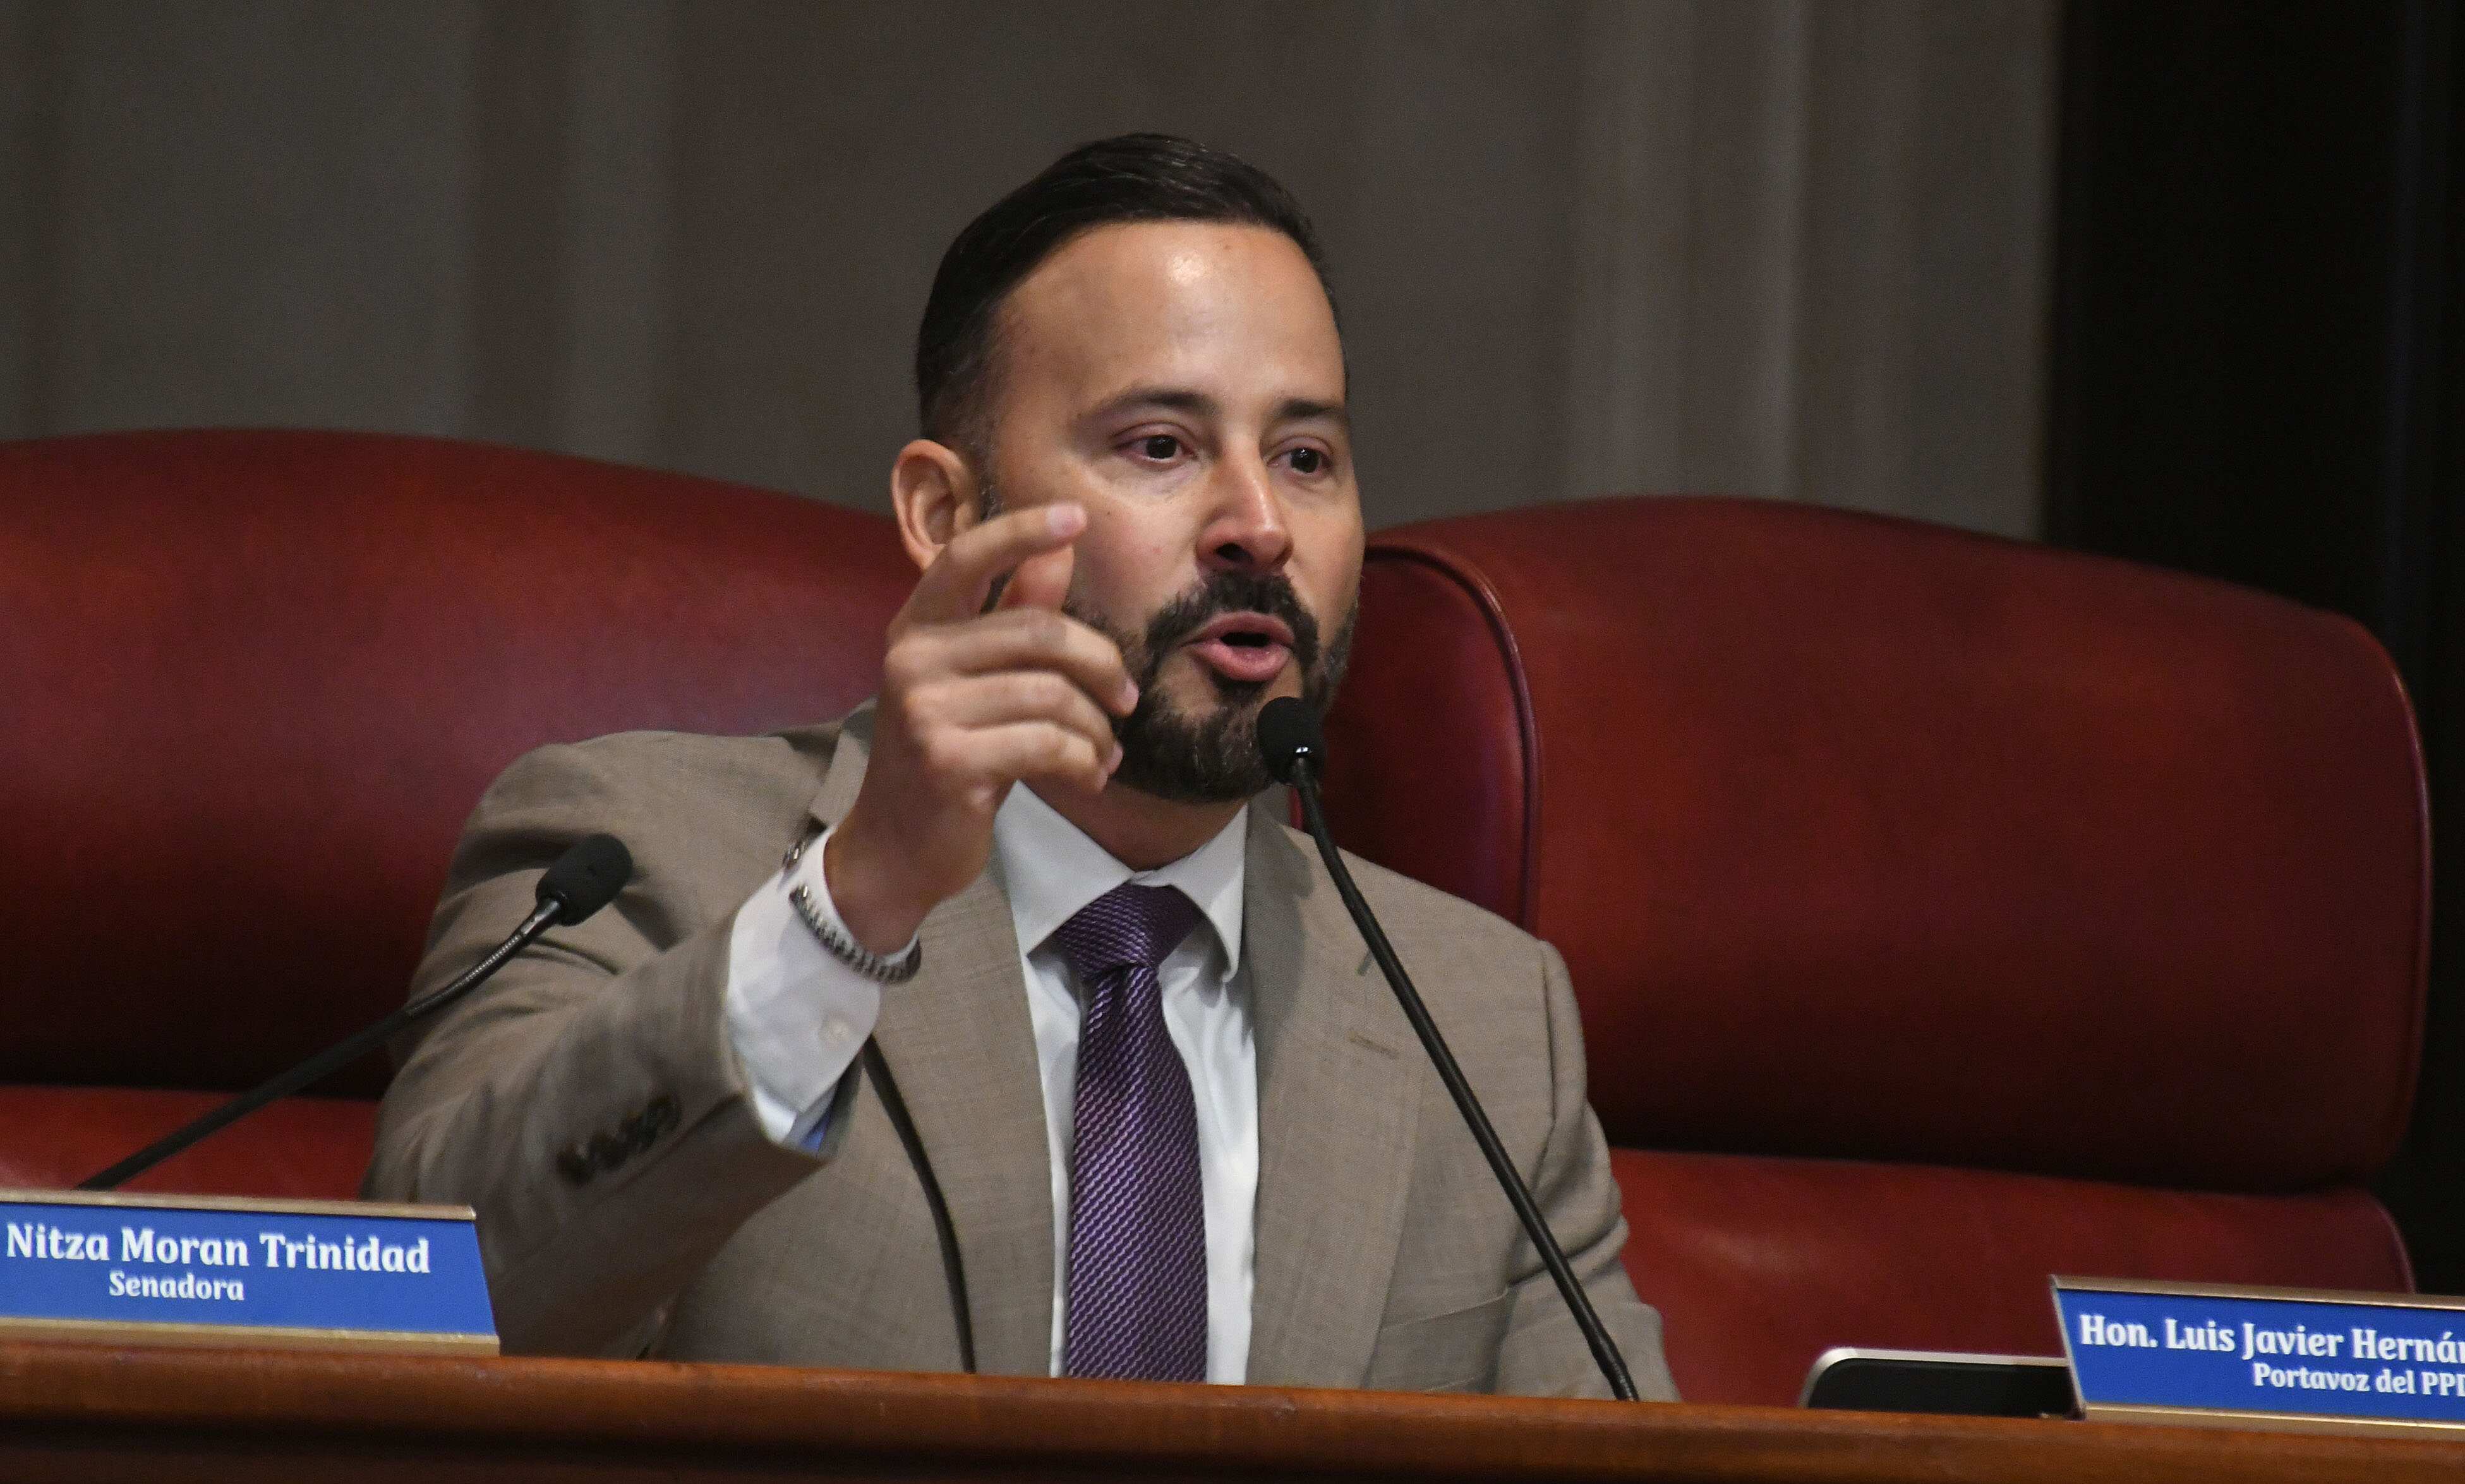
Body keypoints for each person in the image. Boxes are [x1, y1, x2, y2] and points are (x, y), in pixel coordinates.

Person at [366, 133, 1675, 1400]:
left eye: (1305, 458)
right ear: (948, 514)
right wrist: (853, 906)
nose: (1260, 525)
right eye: (1161, 445)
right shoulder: (634, 854)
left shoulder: (1485, 1020)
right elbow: (426, 1319)